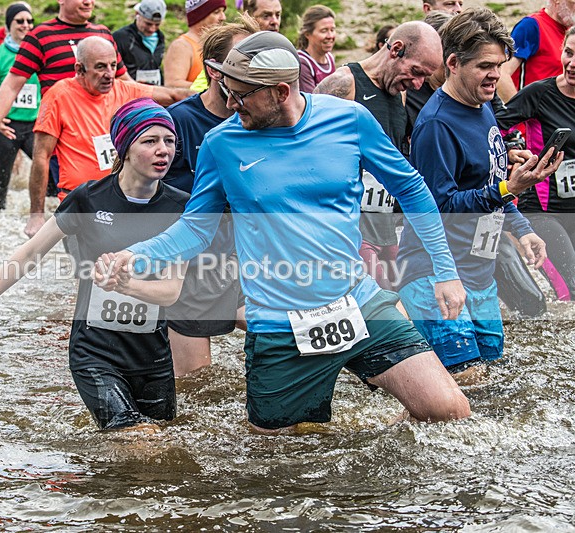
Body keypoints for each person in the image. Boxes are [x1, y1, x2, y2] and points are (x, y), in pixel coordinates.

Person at [100, 31, 471, 432]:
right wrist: (137, 256)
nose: (230, 104)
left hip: (356, 301)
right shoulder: (221, 144)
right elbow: (195, 229)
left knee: (448, 410)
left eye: (241, 95)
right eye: (226, 90)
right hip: (280, 324)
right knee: (274, 450)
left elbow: (411, 188)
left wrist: (445, 271)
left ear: (280, 92)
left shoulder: (349, 119)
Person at [0, 98, 189, 431]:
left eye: (169, 141)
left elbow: (171, 292)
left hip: (152, 356)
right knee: (136, 437)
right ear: (124, 148)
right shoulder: (89, 198)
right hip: (95, 352)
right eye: (150, 141)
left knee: (162, 442)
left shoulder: (181, 207)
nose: (163, 150)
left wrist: (125, 284)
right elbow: (30, 252)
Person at [398, 8, 561, 377]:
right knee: (466, 380)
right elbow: (439, 206)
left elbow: (487, 184)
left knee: (490, 376)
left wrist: (522, 229)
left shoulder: (482, 106)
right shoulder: (437, 124)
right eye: (484, 65)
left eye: (499, 65)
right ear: (453, 63)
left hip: (479, 271)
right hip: (435, 273)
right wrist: (508, 188)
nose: (495, 75)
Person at [0, 0, 133, 221]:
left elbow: (126, 84)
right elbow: (10, 86)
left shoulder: (103, 34)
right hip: (63, 143)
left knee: (110, 213)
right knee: (74, 213)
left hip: (103, 140)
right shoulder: (40, 36)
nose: (88, 2)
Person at [316, 21, 441, 291]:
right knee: (385, 304)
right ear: (396, 49)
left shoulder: (400, 92)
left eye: (424, 77)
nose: (418, 84)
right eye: (416, 72)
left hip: (386, 227)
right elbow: (307, 156)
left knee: (403, 296)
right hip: (350, 230)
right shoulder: (344, 84)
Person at [164, 17, 256, 376]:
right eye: (242, 59)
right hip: (191, 271)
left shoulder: (265, 120)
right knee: (195, 385)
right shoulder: (179, 121)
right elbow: (154, 200)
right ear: (214, 70)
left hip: (249, 263)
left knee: (292, 346)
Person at [28, 37, 189, 234]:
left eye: (113, 65)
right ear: (79, 69)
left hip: (121, 200)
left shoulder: (124, 90)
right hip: (80, 205)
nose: (109, 74)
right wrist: (36, 215)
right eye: (100, 67)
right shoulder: (58, 95)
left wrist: (213, 94)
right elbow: (41, 156)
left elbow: (173, 96)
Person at [496, 26, 575, 297]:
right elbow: (493, 128)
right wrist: (510, 151)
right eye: (568, 53)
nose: (572, 63)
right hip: (543, 212)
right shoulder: (540, 94)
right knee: (570, 291)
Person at [0, 2, 39, 211]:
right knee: (0, 186)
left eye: (29, 21)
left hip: (35, 127)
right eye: (20, 21)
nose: (26, 25)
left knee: (51, 177)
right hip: (6, 128)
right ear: (9, 25)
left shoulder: (39, 55)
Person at [497, 0, 575, 105]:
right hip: (534, 111)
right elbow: (502, 73)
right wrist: (519, 111)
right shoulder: (531, 26)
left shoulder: (570, 32)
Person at [162, 0, 226, 89]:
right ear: (200, 15)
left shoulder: (217, 45)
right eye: (216, 12)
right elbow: (172, 85)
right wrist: (210, 89)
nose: (223, 17)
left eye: (223, 11)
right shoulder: (181, 46)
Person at [112, 0, 167, 85]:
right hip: (130, 90)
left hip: (155, 90)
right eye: (148, 24)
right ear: (137, 14)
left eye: (157, 24)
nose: (152, 29)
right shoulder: (121, 38)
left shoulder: (160, 37)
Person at [296, 5, 336, 94]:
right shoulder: (303, 63)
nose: (330, 36)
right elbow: (312, 100)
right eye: (324, 31)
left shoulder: (329, 58)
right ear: (307, 34)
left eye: (332, 30)